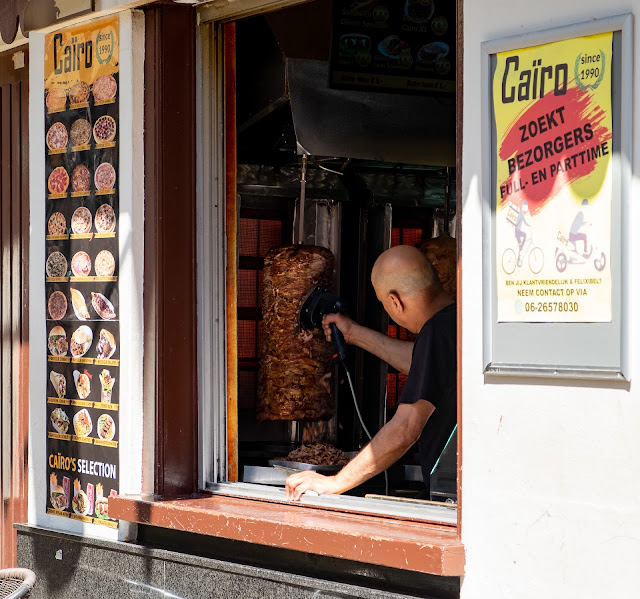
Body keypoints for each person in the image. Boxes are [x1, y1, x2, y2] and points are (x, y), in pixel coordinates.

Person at [285, 245, 456, 501]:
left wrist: (336, 482)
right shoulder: (456, 322)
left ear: (395, 301)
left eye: (383, 304)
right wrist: (353, 333)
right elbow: (421, 364)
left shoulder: (436, 332)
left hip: (452, 500)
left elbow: (406, 428)